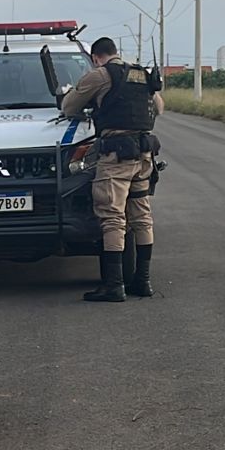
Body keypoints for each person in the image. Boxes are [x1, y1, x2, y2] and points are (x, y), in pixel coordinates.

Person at [60, 37, 163, 302]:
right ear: (116, 53)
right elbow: (158, 108)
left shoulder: (101, 75)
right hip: (143, 154)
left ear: (96, 57)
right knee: (141, 216)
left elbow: (68, 106)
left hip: (116, 156)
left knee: (112, 216)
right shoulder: (140, 74)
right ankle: (143, 281)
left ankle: (114, 285)